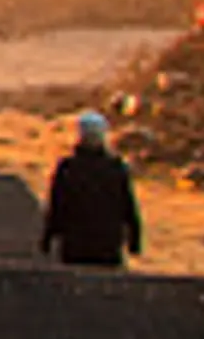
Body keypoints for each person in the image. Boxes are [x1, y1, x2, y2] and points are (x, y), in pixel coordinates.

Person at [40, 110, 142, 267]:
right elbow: (128, 207)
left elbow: (57, 206)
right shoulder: (115, 168)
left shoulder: (68, 168)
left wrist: (48, 237)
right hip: (107, 245)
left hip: (75, 245)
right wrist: (134, 241)